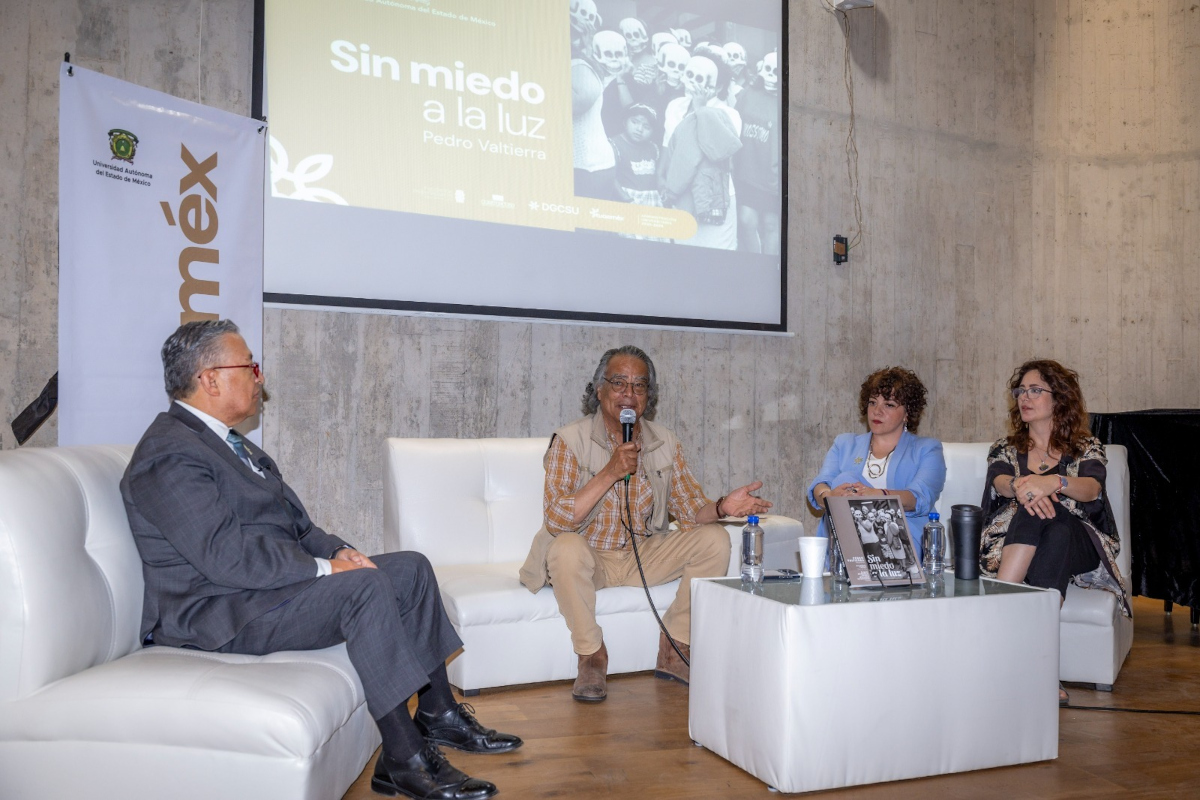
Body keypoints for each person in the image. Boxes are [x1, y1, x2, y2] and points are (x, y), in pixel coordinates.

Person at [121, 320, 520, 800]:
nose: (258, 376)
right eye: (248, 365)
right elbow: (224, 558)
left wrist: (335, 550)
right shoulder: (169, 454)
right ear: (209, 379)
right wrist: (330, 571)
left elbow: (299, 527)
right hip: (218, 612)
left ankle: (438, 712)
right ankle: (402, 757)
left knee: (409, 568)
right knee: (364, 586)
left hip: (261, 591)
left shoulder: (230, 443)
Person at [519, 345, 772, 702]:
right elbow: (558, 518)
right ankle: (591, 656)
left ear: (648, 397)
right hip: (589, 555)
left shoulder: (664, 442)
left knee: (714, 539)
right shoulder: (569, 440)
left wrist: (721, 507)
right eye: (619, 383)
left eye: (639, 387)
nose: (629, 394)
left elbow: (688, 510)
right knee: (565, 547)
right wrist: (611, 470)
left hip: (642, 553)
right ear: (599, 390)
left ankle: (674, 647)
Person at [977, 360, 1129, 702]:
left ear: (1058, 399)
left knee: (1052, 513)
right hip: (1018, 540)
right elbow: (999, 482)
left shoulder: (1086, 446)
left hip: (1083, 543)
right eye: (1020, 391)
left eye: (1035, 390)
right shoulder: (1005, 447)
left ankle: (998, 602)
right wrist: (1023, 485)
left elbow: (1091, 489)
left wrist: (1053, 482)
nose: (1023, 398)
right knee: (1048, 520)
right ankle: (1044, 671)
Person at [808, 367, 946, 561]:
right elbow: (821, 484)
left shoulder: (927, 449)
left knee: (846, 479)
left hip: (902, 539)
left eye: (889, 405)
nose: (877, 411)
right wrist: (829, 496)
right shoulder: (845, 443)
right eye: (873, 402)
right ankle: (848, 565)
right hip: (845, 537)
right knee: (843, 481)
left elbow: (919, 498)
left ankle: (847, 568)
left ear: (908, 412)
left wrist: (877, 496)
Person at [660, 49, 743, 250]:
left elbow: (717, 149)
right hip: (679, 194)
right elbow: (667, 148)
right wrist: (662, 181)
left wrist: (700, 108)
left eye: (701, 78)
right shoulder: (674, 106)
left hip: (714, 198)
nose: (694, 83)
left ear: (718, 85)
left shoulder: (729, 114)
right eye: (690, 75)